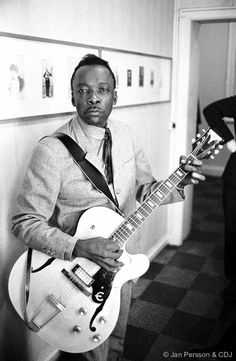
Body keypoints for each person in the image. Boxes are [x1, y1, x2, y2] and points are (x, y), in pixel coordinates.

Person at [12, 54, 205, 361]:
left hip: (124, 258)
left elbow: (144, 189)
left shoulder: (126, 134)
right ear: (72, 95)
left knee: (116, 334)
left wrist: (179, 182)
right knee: (91, 348)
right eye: (84, 90)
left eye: (102, 89)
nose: (93, 98)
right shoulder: (50, 150)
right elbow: (25, 221)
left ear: (115, 95)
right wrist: (79, 247)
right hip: (77, 269)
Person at [203, 96, 236, 304]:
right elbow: (211, 110)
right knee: (233, 231)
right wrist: (230, 141)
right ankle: (234, 282)